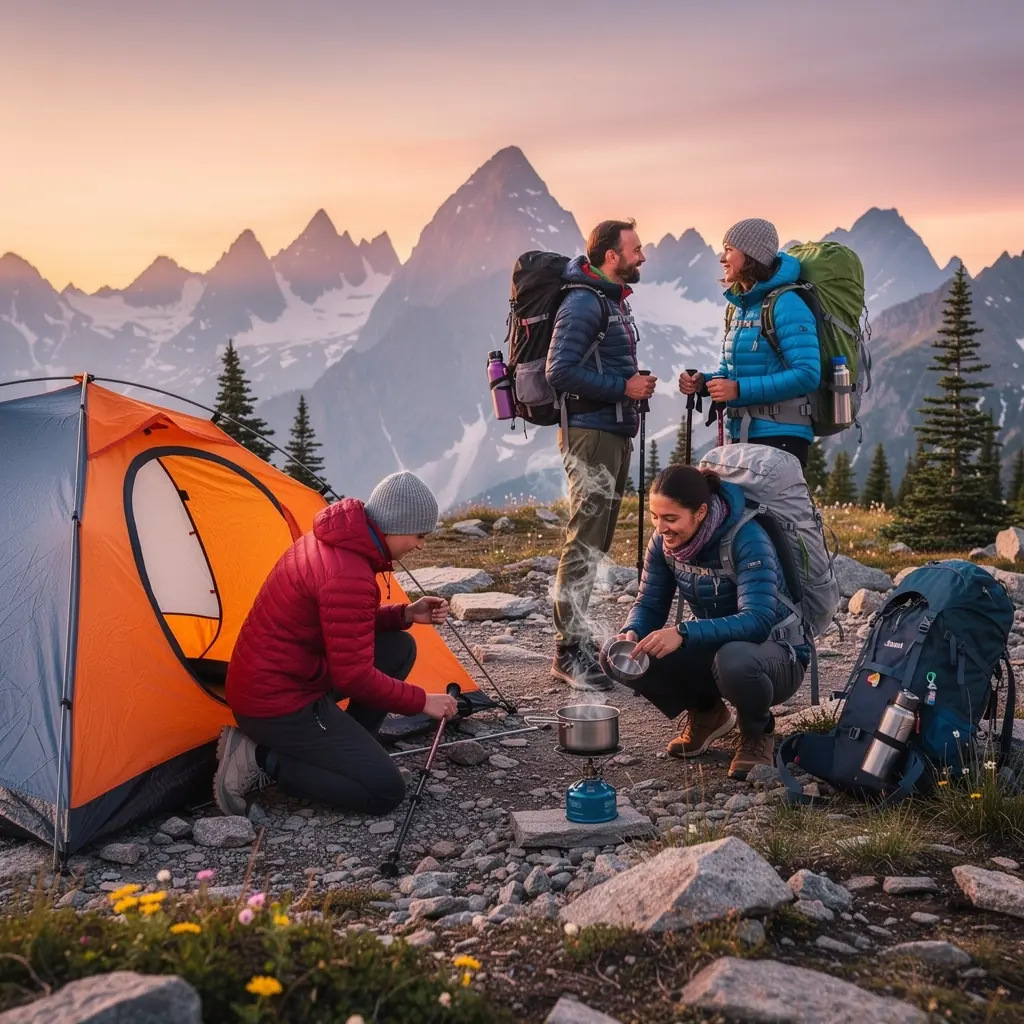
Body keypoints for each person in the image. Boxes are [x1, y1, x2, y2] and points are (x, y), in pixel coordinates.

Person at [213, 471, 458, 817]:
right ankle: (258, 758)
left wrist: (403, 614)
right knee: (384, 790)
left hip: (283, 680)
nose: (420, 545)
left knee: (399, 646)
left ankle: (346, 753)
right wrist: (422, 701)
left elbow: (343, 625)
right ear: (397, 525)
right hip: (276, 705)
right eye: (419, 535)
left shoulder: (335, 541)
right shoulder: (348, 573)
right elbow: (353, 677)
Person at [615, 464, 807, 779]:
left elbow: (758, 620)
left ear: (701, 512)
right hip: (718, 646)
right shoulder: (663, 544)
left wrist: (683, 632)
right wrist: (631, 631)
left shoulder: (747, 539)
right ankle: (708, 714)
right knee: (621, 656)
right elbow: (649, 603)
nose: (661, 527)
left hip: (775, 655)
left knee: (734, 659)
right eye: (655, 516)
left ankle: (757, 732)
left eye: (671, 518)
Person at [545, 218, 657, 691]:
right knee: (585, 538)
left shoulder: (609, 301)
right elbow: (558, 370)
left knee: (597, 539)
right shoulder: (583, 302)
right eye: (635, 249)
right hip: (590, 434)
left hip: (611, 429)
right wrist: (622, 386)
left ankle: (580, 640)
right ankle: (568, 652)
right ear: (611, 256)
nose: (642, 257)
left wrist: (630, 390)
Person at [679, 219, 820, 467]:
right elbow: (730, 373)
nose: (722, 258)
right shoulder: (741, 307)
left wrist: (739, 390)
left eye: (729, 249)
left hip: (781, 437)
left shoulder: (787, 303)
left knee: (771, 508)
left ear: (752, 255)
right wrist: (704, 383)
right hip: (745, 433)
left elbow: (807, 375)